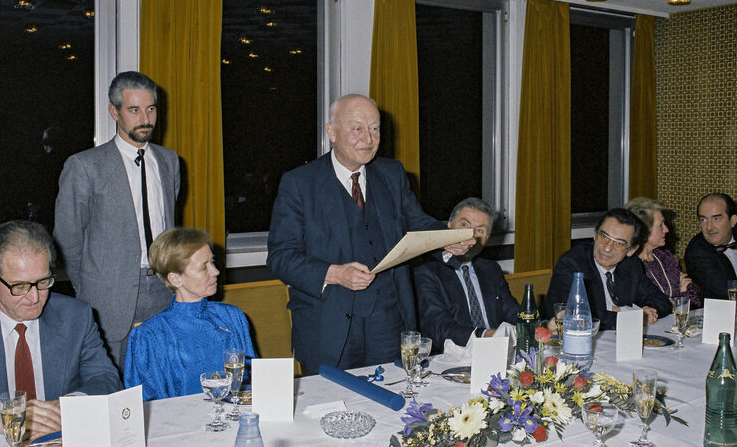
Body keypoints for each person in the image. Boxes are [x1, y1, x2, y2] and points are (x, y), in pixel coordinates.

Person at [266, 94, 473, 374]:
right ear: (331, 132)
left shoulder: (392, 174)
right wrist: (335, 273)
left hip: (390, 323)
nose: (368, 137)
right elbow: (281, 257)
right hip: (327, 327)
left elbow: (418, 225)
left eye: (375, 128)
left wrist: (450, 242)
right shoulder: (299, 184)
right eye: (357, 128)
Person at [54, 71, 181, 369]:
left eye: (151, 109)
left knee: (163, 384)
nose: (145, 118)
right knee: (114, 395)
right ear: (114, 112)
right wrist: (88, 291)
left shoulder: (169, 160)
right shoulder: (85, 166)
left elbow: (169, 224)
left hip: (165, 289)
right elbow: (67, 241)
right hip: (109, 300)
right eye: (134, 110)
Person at [0, 221, 121, 440]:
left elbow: (106, 379)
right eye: (20, 286)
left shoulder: (75, 316)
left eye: (43, 282)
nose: (34, 298)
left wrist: (68, 407)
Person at [124, 228, 255, 401]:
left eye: (212, 262)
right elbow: (146, 406)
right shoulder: (149, 335)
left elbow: (253, 383)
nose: (215, 271)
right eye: (203, 267)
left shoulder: (232, 317)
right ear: (175, 279)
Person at [414, 198, 520, 349]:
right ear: (449, 227)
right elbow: (439, 329)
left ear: (487, 238)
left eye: (479, 230)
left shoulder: (491, 269)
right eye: (464, 225)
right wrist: (485, 335)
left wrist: (541, 325)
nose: (470, 235)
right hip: (455, 356)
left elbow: (514, 313)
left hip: (499, 351)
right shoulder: (427, 271)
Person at [544, 208, 671, 331]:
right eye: (604, 236)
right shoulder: (572, 264)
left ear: (631, 250)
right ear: (595, 235)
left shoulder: (631, 265)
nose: (607, 248)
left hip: (620, 340)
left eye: (619, 243)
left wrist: (642, 314)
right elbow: (582, 318)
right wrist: (635, 315)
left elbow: (662, 301)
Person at [625, 197, 702, 308]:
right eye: (660, 225)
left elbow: (696, 298)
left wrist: (681, 296)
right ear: (644, 230)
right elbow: (643, 307)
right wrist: (680, 296)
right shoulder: (629, 265)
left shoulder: (665, 258)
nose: (666, 229)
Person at [684, 193, 737, 299]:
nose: (709, 227)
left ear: (732, 221)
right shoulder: (697, 251)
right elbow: (727, 292)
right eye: (703, 220)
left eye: (716, 219)